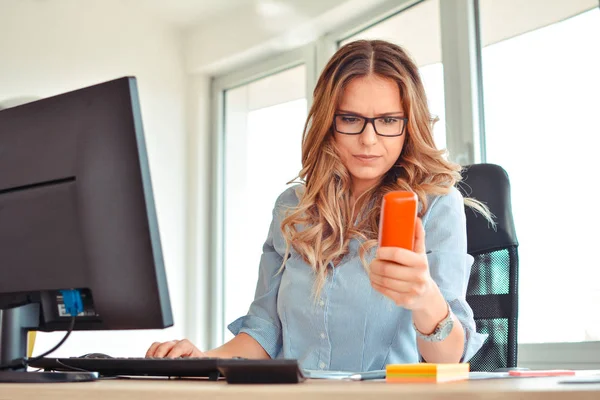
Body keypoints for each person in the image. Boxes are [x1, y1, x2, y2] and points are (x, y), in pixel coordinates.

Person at [146, 39, 488, 371]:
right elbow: (264, 331)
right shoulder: (294, 208)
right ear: (329, 123)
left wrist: (424, 297)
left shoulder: (436, 206)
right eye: (351, 119)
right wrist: (201, 360)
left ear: (408, 125)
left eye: (387, 120)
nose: (368, 140)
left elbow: (448, 359)